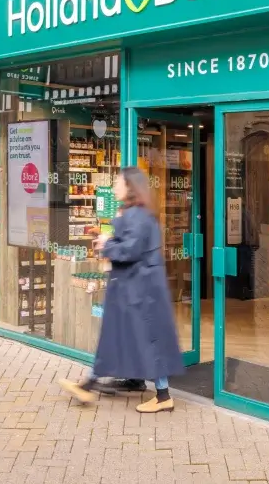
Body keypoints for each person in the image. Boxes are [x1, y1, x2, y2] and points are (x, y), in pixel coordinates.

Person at [59, 167, 185, 413]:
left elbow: (129, 250)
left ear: (130, 187)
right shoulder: (138, 213)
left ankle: (162, 396)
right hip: (137, 289)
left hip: (139, 292)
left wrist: (106, 244)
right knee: (126, 337)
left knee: (142, 338)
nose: (114, 186)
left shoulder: (137, 215)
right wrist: (108, 239)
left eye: (118, 182)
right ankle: (95, 383)